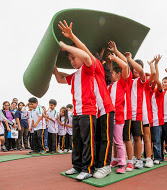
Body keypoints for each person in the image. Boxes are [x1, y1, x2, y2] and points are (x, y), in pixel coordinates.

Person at [54, 20, 97, 180]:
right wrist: (53, 65)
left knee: (88, 142)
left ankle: (88, 169)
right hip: (77, 113)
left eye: (74, 57)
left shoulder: (88, 68)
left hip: (88, 112)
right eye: (70, 59)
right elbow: (59, 79)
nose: (72, 61)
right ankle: (77, 166)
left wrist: (67, 44)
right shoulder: (74, 76)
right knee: (77, 141)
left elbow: (86, 55)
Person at [107, 41, 134, 172]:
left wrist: (115, 57)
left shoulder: (122, 83)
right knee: (112, 141)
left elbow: (124, 66)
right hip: (109, 117)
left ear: (118, 75)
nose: (110, 75)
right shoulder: (110, 86)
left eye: (112, 73)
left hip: (119, 118)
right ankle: (115, 159)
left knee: (119, 141)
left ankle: (122, 164)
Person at [124, 52, 149, 169]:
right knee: (127, 138)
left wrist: (130, 59)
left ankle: (139, 159)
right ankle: (132, 157)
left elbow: (142, 72)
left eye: (138, 67)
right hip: (127, 113)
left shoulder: (141, 81)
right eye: (133, 67)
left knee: (137, 137)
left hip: (137, 114)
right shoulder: (127, 80)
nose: (136, 69)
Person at [149, 55, 164, 165]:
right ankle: (147, 156)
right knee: (147, 140)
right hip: (146, 119)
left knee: (156, 141)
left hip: (156, 120)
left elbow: (157, 81)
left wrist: (155, 65)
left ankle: (158, 157)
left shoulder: (158, 92)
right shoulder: (146, 91)